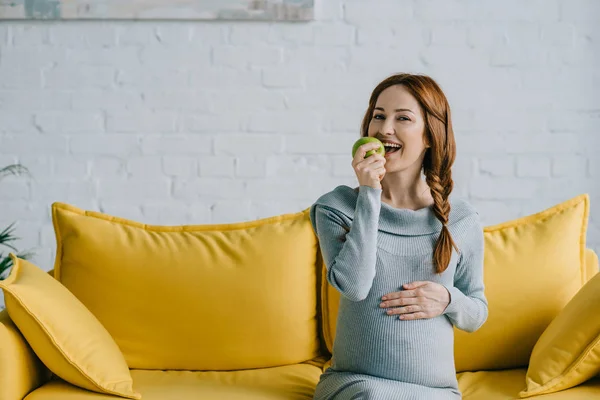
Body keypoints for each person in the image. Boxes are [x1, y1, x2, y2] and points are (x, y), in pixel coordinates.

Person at [309, 73, 488, 400]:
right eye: (378, 115)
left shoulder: (461, 219)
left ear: (431, 135)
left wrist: (448, 299)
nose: (384, 128)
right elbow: (354, 285)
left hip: (436, 393)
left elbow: (477, 313)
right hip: (357, 385)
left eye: (402, 118)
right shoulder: (337, 208)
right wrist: (369, 194)